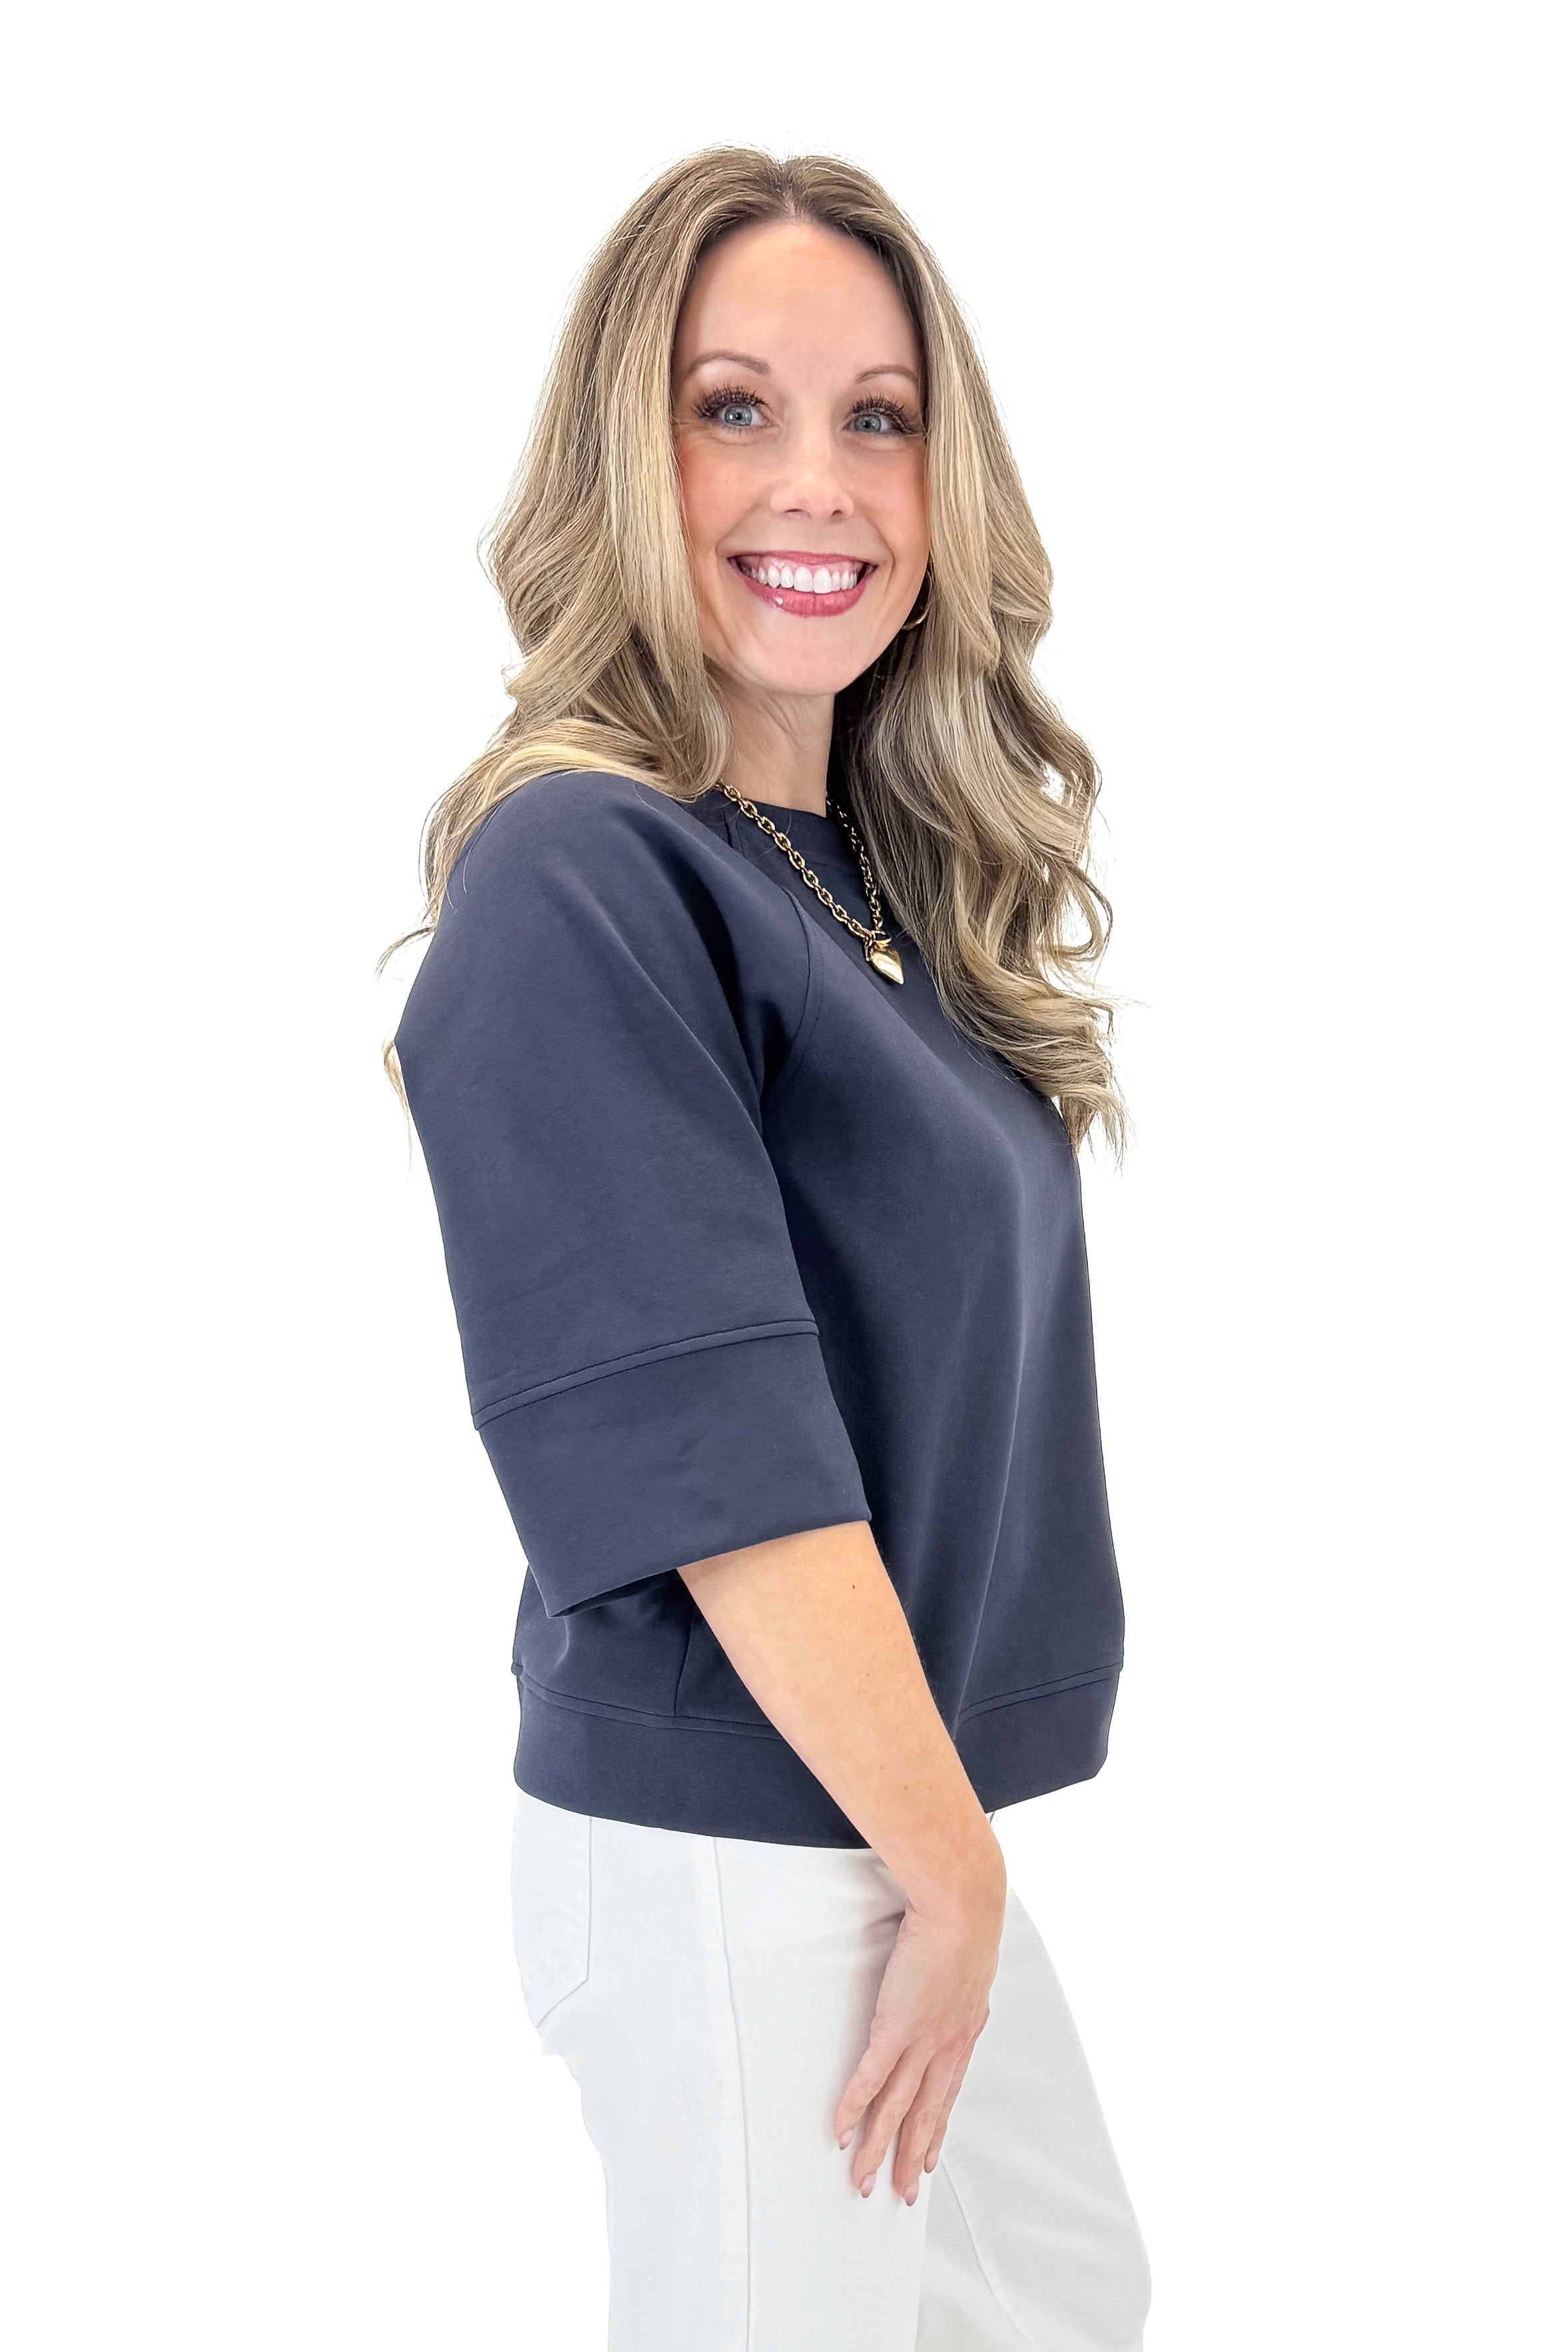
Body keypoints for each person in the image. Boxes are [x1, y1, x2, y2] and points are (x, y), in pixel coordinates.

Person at [389, 146, 1152, 2352]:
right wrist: (948, 1860)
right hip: (745, 1829)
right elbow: (716, 1436)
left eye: (877, 415)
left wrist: (934, 1850)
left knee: (1057, 2295)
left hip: (862, 1812)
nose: (814, 482)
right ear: (625, 454)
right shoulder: (584, 872)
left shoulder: (855, 890)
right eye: (734, 407)